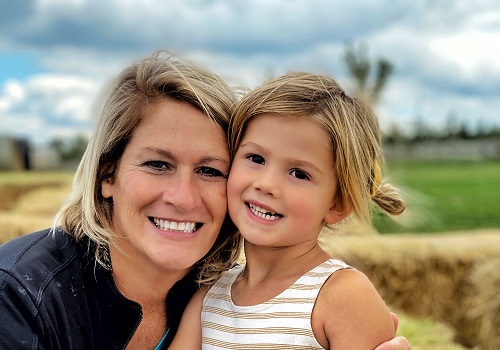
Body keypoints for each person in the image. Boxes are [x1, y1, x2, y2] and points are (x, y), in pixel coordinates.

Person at [0, 52, 409, 350]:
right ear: (107, 174)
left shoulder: (337, 295)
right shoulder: (20, 297)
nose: (182, 197)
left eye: (211, 170)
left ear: (338, 205)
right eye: (158, 164)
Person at [170, 72, 406, 349]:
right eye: (255, 158)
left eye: (299, 173)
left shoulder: (342, 296)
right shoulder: (209, 298)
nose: (267, 184)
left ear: (338, 204)